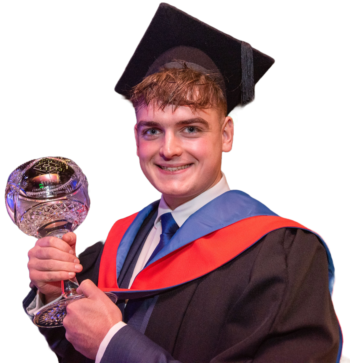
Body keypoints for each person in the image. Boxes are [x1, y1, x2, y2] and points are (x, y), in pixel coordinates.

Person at [22, 3, 343, 362]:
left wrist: (114, 344)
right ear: (135, 139)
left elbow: (104, 346)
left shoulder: (283, 255)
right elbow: (75, 349)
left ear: (225, 135)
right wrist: (52, 293)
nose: (169, 149)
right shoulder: (116, 242)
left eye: (190, 129)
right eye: (152, 131)